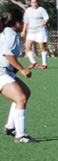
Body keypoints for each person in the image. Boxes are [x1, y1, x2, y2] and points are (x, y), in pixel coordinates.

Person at [1, 9, 38, 143]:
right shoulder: (10, 33)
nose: (23, 23)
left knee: (25, 93)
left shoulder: (7, 32)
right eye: (22, 21)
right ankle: (20, 135)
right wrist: (22, 69)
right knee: (20, 98)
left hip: (5, 72)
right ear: (16, 22)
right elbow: (7, 54)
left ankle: (10, 127)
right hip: (1, 73)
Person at [21, 0, 49, 69]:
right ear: (30, 3)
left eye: (36, 2)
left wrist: (44, 23)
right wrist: (23, 31)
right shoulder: (28, 11)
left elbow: (46, 18)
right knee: (27, 46)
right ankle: (33, 62)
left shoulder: (41, 10)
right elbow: (26, 21)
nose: (35, 4)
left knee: (42, 47)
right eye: (33, 2)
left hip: (40, 31)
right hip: (31, 31)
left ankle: (44, 64)